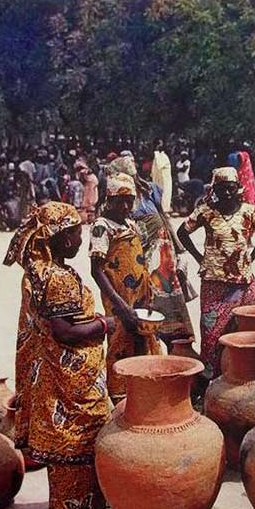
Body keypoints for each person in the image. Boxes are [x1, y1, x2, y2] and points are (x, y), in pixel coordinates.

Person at [3, 202, 114, 509]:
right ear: (64, 239)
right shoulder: (58, 278)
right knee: (81, 435)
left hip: (55, 375)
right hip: (71, 378)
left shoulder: (37, 270)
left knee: (65, 439)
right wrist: (103, 325)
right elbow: (65, 332)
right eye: (77, 233)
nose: (80, 239)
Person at [177, 166, 255, 378]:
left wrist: (251, 256)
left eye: (230, 188)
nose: (226, 193)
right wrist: (199, 257)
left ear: (237, 188)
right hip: (213, 281)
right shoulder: (205, 211)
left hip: (243, 281)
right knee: (212, 334)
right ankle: (211, 379)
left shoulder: (250, 211)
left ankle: (248, 374)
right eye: (221, 189)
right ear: (214, 190)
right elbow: (182, 232)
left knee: (252, 327)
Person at [106, 155, 194, 349]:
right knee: (140, 310)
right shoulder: (117, 201)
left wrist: (181, 251)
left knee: (167, 308)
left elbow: (163, 218)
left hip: (160, 256)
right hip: (135, 259)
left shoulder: (149, 190)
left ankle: (177, 351)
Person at [89, 172, 162, 404]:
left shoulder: (131, 223)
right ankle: (121, 397)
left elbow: (140, 261)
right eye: (119, 200)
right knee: (120, 341)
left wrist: (149, 293)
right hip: (119, 300)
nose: (125, 205)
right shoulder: (102, 226)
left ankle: (144, 389)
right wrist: (119, 305)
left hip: (139, 297)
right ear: (108, 200)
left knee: (143, 339)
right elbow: (97, 270)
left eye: (129, 200)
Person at [151, 139, 173, 214]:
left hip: (164, 182)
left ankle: (164, 212)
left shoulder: (163, 156)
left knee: (164, 196)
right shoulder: (157, 156)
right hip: (158, 181)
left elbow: (159, 165)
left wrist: (156, 151)